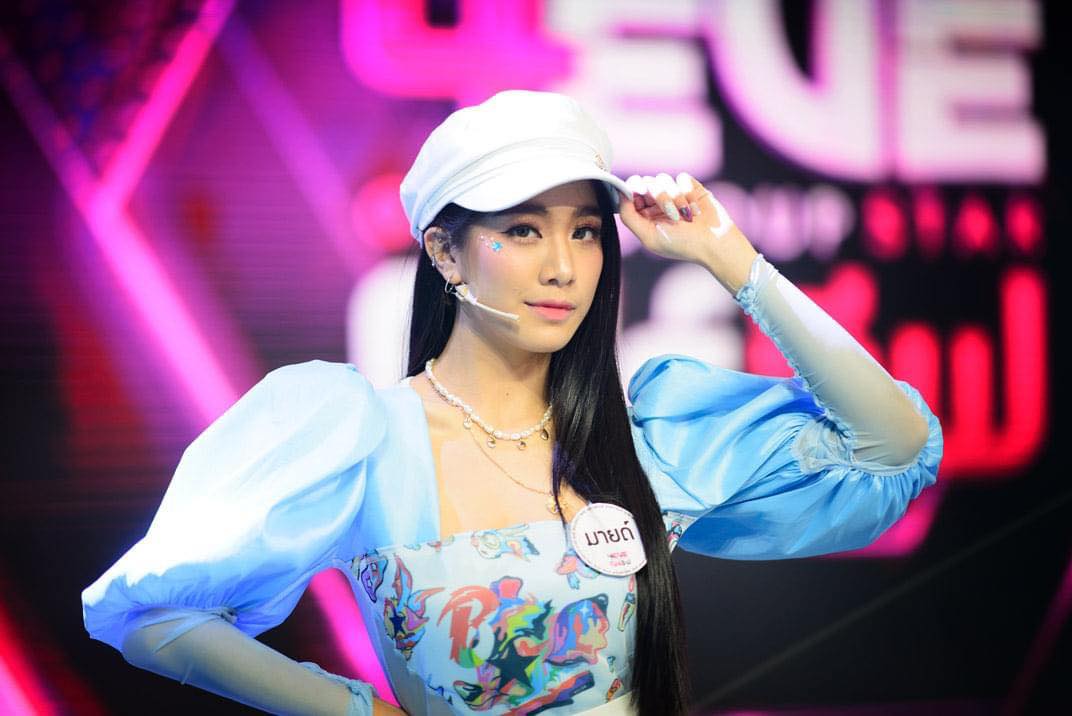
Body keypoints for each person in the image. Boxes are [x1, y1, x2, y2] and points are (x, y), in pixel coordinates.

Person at [81, 89, 943, 715]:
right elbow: (148, 614)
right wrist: (355, 710)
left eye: (585, 231)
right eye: (523, 230)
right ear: (444, 252)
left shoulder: (643, 440)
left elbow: (895, 447)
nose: (563, 267)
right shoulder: (364, 438)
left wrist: (734, 262)